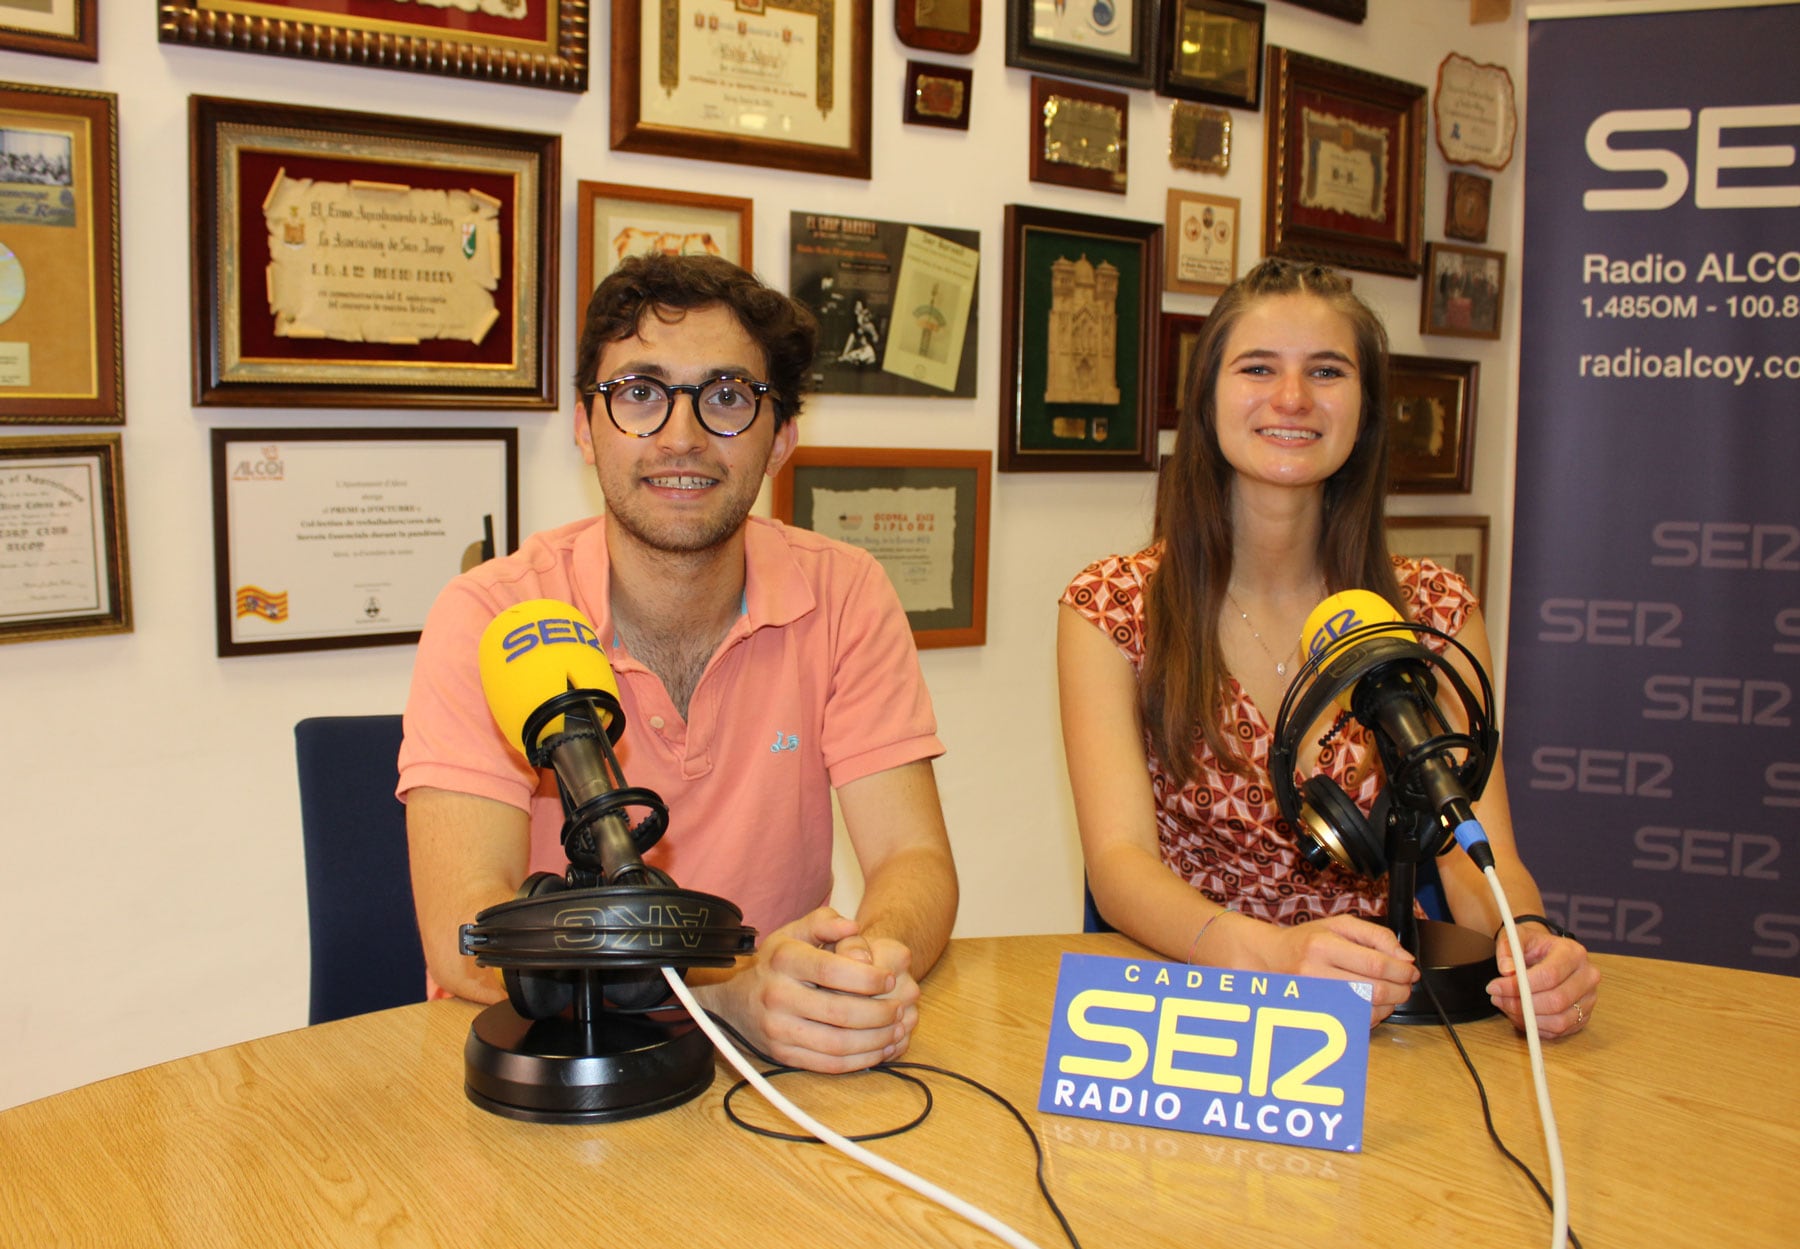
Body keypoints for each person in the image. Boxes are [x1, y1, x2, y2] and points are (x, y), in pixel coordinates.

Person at [399, 254, 959, 1073]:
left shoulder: (845, 593)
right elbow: (469, 940)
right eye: (640, 393)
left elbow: (916, 860)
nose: (682, 435)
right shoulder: (493, 614)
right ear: (586, 429)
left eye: (728, 396)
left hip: (776, 1066)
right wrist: (728, 987)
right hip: (556, 1073)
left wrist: (847, 974)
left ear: (781, 440)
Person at [1057, 257, 1599, 1034]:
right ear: (1207, 398)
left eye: (1327, 370)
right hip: (1187, 1010)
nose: (1292, 398)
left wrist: (1533, 945)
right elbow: (1119, 868)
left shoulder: (1433, 612)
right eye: (1257, 367)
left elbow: (1475, 852)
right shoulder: (1110, 606)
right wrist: (1271, 954)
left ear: (1367, 408)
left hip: (1382, 1014)